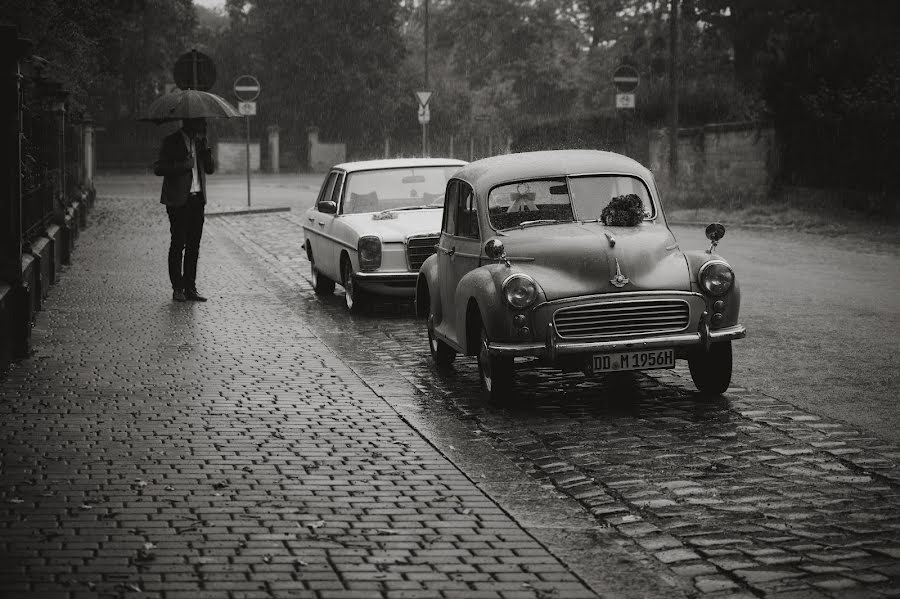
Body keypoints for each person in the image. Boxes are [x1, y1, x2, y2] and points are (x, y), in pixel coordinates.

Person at [153, 117, 215, 302]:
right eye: (200, 123)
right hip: (178, 201)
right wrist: (182, 165)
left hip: (197, 200)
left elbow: (210, 169)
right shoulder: (172, 141)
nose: (203, 127)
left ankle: (190, 288)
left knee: (194, 246)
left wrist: (207, 152)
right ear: (189, 123)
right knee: (178, 243)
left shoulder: (200, 143)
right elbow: (159, 168)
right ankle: (177, 288)